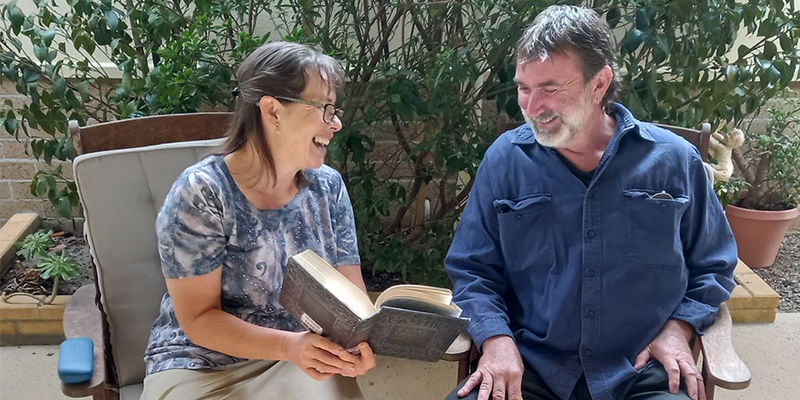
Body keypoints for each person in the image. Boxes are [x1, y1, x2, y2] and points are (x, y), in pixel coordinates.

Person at [445, 5, 737, 400]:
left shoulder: (674, 160)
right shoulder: (505, 160)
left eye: (550, 88)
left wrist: (678, 328)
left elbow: (714, 266)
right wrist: (495, 339)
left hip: (642, 370)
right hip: (532, 370)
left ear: (599, 84)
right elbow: (472, 269)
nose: (531, 109)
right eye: (524, 88)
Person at [141, 41, 376, 399]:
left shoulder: (328, 188)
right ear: (272, 110)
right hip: (201, 363)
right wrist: (289, 347)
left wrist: (358, 343)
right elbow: (199, 319)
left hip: (302, 358)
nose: (336, 123)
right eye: (325, 109)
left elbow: (352, 296)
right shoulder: (203, 192)